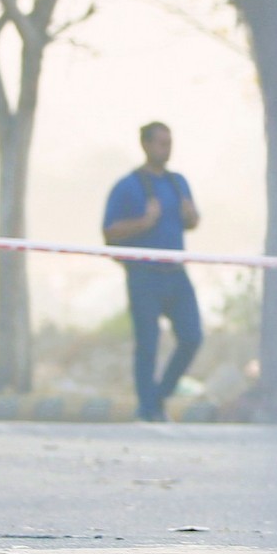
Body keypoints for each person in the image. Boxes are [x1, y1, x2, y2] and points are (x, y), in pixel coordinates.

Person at [103, 123, 205, 422]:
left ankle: (159, 396)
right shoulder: (127, 186)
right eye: (161, 143)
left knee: (192, 336)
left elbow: (192, 221)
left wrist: (190, 216)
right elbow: (109, 231)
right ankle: (147, 409)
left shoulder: (178, 182)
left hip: (175, 272)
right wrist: (143, 223)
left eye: (169, 143)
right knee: (148, 343)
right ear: (146, 145)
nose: (167, 149)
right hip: (144, 274)